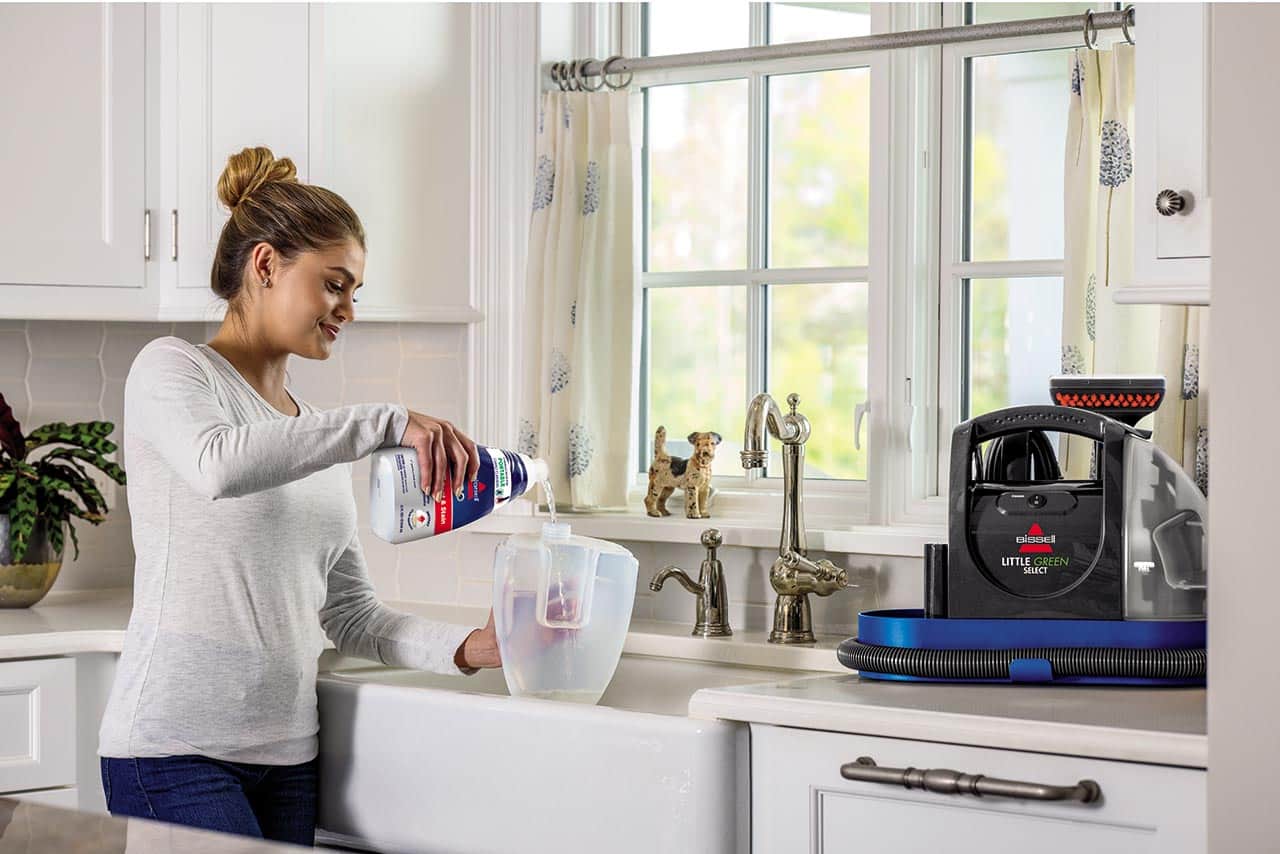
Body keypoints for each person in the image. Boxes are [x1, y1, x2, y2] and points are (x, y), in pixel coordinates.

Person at [97, 146, 500, 845]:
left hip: (287, 760)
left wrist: (471, 647)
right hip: (172, 753)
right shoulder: (172, 370)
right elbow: (217, 465)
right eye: (335, 285)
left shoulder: (312, 435)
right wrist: (383, 422)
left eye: (355, 292)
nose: (348, 310)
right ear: (265, 265)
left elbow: (352, 615)